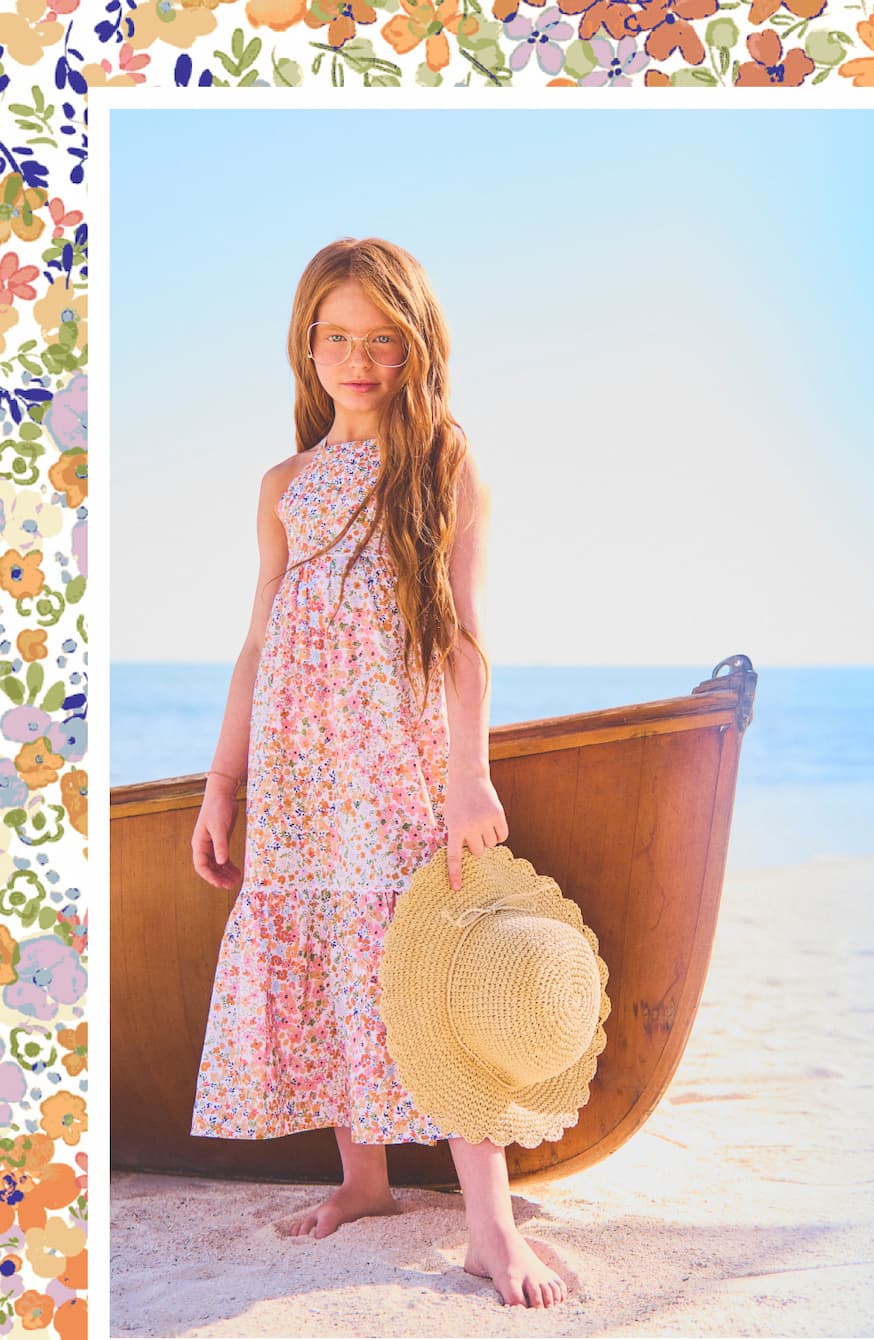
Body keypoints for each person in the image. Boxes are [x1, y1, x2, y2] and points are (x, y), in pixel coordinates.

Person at [188, 237, 568, 1310]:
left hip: (391, 760)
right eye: (338, 338)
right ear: (308, 345)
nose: (359, 359)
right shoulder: (284, 483)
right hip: (300, 772)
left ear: (415, 346)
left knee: (430, 964)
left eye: (382, 341)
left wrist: (466, 777)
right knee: (325, 959)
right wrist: (225, 786)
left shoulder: (440, 459)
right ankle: (366, 1179)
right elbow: (259, 644)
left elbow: (464, 638)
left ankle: (490, 1228)